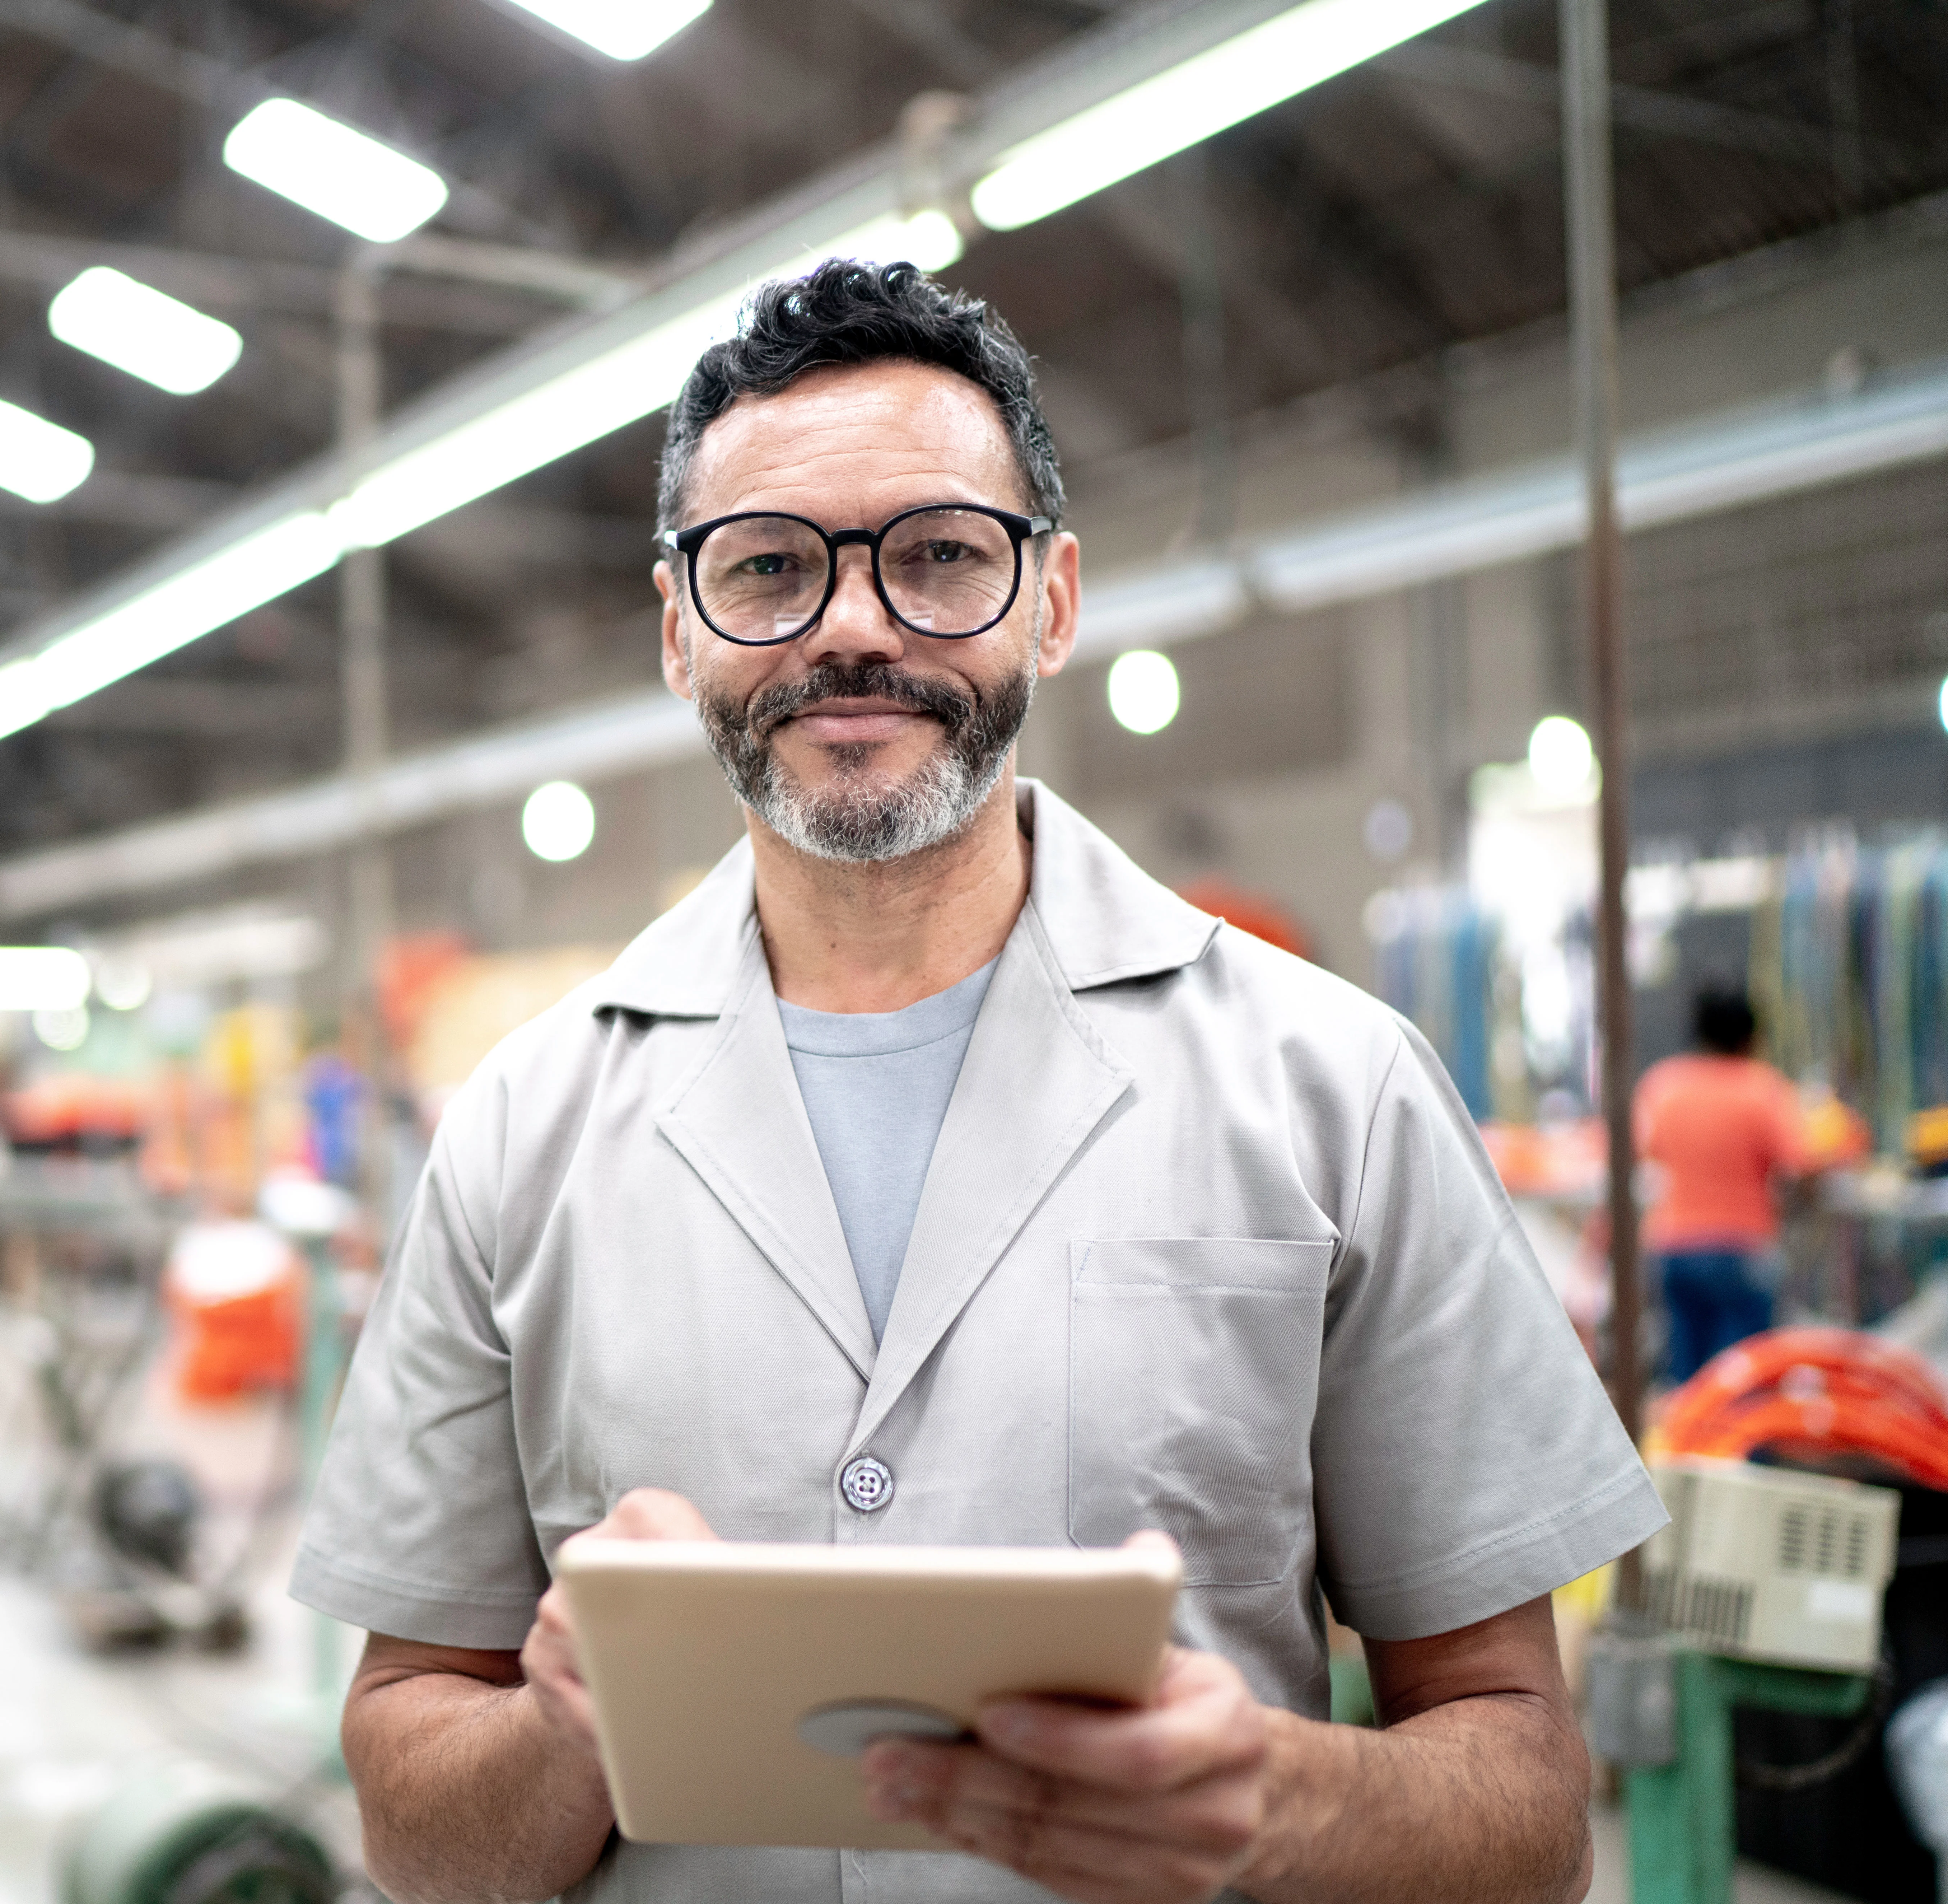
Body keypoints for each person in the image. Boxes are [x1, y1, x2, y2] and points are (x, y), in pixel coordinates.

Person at [291, 260, 1662, 1904]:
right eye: (770, 566)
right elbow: (411, 1809)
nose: (852, 624)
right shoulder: (518, 1133)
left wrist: (1280, 1797)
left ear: (1054, 599)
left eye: (938, 553)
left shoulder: (1334, 1090)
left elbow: (1529, 1795)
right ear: (680, 630)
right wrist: (569, 1722)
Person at [1636, 986, 1808, 1384]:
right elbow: (1800, 1164)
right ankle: (1742, 1448)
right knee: (1744, 1383)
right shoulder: (1761, 1089)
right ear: (1750, 1037)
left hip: (1674, 1247)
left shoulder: (1663, 1086)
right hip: (1740, 1250)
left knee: (1688, 1380)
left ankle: (1686, 1446)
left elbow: (1647, 1150)